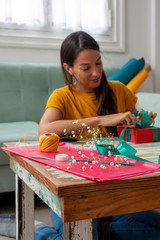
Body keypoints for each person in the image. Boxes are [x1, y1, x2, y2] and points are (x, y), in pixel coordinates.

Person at [0, 31, 159, 240]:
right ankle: (37, 229)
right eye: (86, 68)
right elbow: (44, 129)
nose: (96, 73)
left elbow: (132, 126)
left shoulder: (119, 90)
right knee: (75, 234)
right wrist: (100, 120)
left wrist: (140, 120)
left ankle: (100, 233)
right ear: (69, 68)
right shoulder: (63, 96)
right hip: (77, 191)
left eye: (99, 63)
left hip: (114, 189)